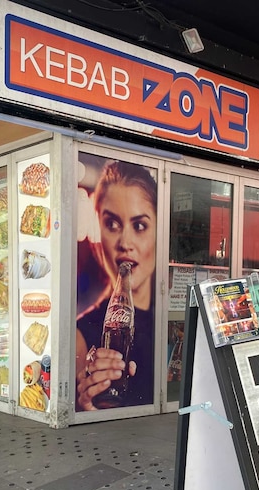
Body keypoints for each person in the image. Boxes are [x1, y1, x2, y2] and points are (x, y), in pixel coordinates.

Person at [75, 160, 156, 411]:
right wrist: (86, 405)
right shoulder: (81, 334)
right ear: (98, 230)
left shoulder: (173, 321)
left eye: (139, 225)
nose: (125, 242)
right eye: (112, 224)